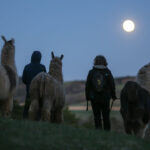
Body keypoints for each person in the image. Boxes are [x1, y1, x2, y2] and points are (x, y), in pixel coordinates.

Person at [85, 55, 116, 130]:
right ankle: (107, 134)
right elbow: (112, 85)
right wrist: (113, 96)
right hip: (105, 98)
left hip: (94, 98)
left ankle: (98, 132)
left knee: (97, 116)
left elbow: (87, 86)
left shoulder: (91, 72)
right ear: (105, 62)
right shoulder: (107, 72)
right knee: (106, 117)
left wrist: (87, 97)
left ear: (95, 62)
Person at [22, 51, 46, 119]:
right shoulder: (42, 68)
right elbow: (45, 81)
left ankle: (25, 120)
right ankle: (38, 121)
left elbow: (24, 80)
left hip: (29, 91)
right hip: (40, 92)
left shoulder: (26, 67)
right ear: (40, 58)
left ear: (32, 57)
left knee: (27, 107)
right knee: (39, 108)